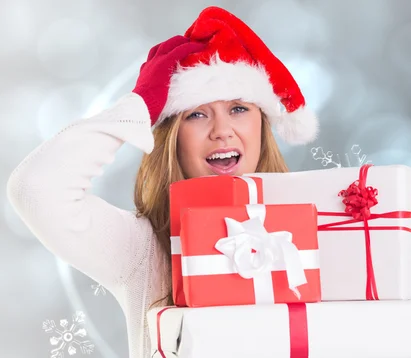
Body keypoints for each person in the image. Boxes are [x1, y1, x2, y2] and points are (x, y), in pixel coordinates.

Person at [7, 6, 318, 358]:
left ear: (262, 124)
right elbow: (35, 188)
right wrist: (140, 107)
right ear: (172, 139)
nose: (221, 131)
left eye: (239, 108)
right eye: (196, 114)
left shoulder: (311, 238)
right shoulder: (141, 249)